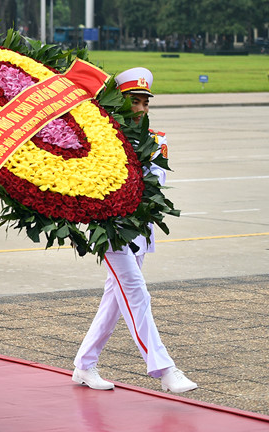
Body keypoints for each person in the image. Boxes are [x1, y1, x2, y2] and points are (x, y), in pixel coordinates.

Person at [72, 67, 198, 394]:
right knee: (137, 293)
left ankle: (85, 364)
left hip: (140, 230)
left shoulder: (157, 141)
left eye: (144, 102)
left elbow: (155, 184)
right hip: (111, 229)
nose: (141, 108)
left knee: (115, 300)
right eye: (134, 101)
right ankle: (163, 368)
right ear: (120, 102)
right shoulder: (100, 138)